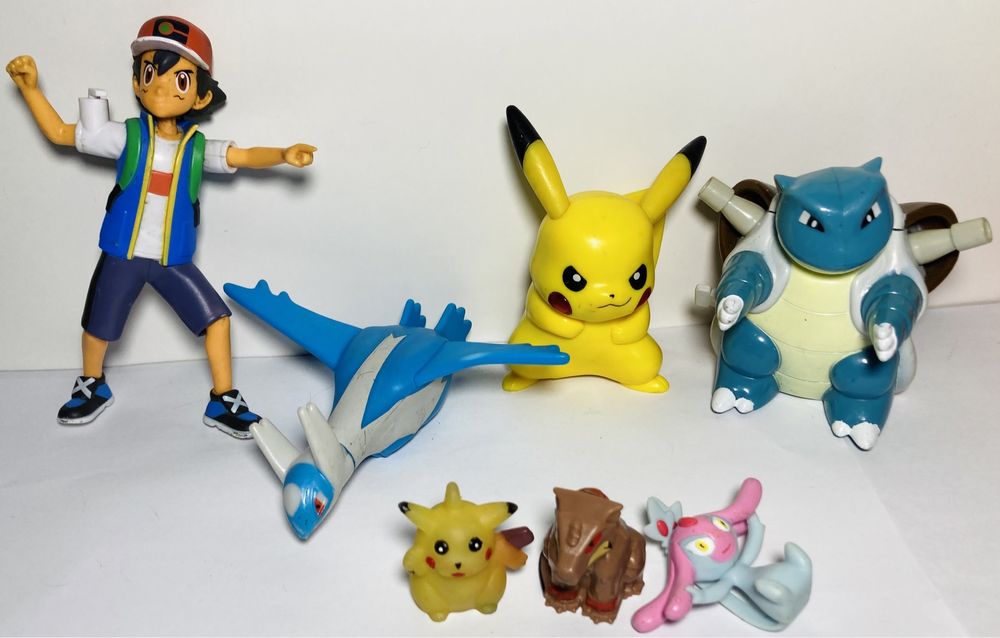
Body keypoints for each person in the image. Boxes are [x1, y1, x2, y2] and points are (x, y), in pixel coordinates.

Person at [6, 16, 317, 439]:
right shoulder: (127, 136)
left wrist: (282, 153)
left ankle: (223, 398)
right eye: (151, 73)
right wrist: (30, 90)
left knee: (217, 320)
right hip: (124, 252)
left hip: (173, 259)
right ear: (137, 82)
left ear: (200, 96)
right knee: (97, 326)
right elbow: (61, 132)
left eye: (180, 80)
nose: (162, 88)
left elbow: (241, 156)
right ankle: (91, 384)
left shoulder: (197, 148)